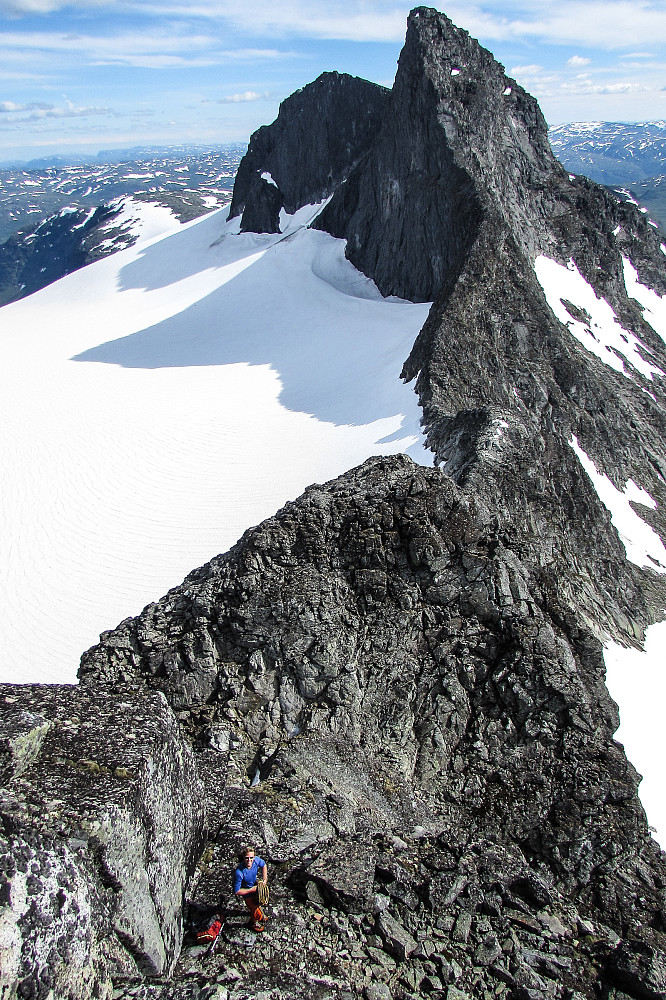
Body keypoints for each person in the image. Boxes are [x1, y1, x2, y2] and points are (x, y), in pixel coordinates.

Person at [233, 845, 268, 930]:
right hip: (247, 892)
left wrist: (264, 880)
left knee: (258, 901)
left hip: (253, 885)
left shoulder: (256, 860)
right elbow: (237, 891)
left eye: (251, 858)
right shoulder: (239, 872)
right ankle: (253, 923)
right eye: (247, 858)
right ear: (243, 858)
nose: (249, 860)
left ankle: (258, 914)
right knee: (255, 911)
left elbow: (264, 865)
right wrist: (251, 890)